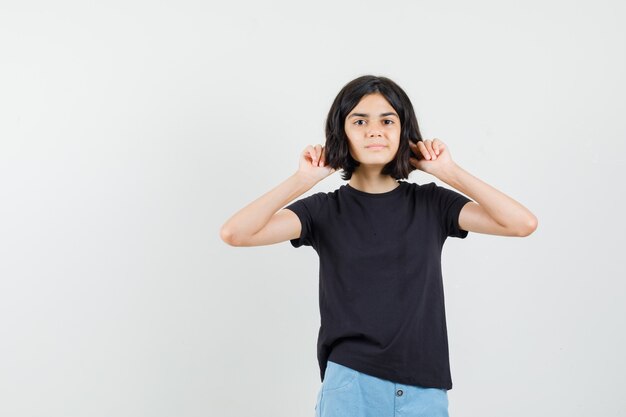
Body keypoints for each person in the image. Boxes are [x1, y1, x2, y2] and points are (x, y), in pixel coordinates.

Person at [220, 75, 538, 417]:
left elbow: (521, 224)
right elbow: (236, 233)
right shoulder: (324, 210)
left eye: (388, 120)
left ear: (404, 132)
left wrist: (448, 172)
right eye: (360, 121)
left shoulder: (432, 204)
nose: (375, 130)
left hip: (424, 388)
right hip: (352, 383)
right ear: (342, 134)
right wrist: (304, 179)